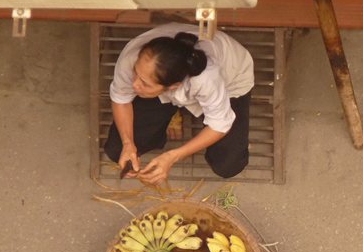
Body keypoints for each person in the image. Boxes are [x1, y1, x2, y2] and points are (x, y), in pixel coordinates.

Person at [105, 23, 254, 185]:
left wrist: (172, 156)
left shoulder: (205, 78)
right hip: (163, 85)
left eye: (144, 83)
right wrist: (128, 143)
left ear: (173, 86)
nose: (134, 84)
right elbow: (121, 99)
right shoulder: (132, 59)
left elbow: (219, 125)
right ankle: (170, 113)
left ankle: (175, 111)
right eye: (136, 73)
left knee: (228, 165)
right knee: (117, 150)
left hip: (229, 82)